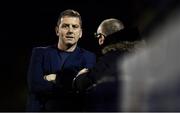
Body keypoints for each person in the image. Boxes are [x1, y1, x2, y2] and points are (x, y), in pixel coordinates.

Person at [26, 9, 96, 111]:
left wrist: (55, 78)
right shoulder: (39, 53)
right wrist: (72, 85)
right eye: (65, 26)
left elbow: (84, 90)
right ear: (57, 31)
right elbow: (35, 85)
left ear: (80, 33)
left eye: (75, 27)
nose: (70, 31)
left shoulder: (89, 57)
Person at [74, 18, 144, 111]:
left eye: (98, 36)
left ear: (102, 38)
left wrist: (79, 77)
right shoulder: (144, 54)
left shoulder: (110, 59)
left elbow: (84, 83)